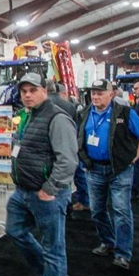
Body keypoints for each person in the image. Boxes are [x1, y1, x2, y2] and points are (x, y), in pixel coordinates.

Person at [5, 73, 78, 276]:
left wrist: (50, 188)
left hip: (47, 195)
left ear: (44, 91)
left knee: (53, 248)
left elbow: (68, 160)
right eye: (24, 90)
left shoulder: (57, 118)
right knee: (14, 231)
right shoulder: (26, 116)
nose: (27, 94)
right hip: (22, 192)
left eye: (32, 90)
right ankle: (49, 275)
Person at [78, 79, 139, 271]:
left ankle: (122, 254)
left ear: (111, 94)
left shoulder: (125, 113)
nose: (95, 96)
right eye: (93, 93)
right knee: (97, 210)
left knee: (121, 212)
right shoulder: (85, 114)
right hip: (94, 169)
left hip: (119, 171)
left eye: (100, 93)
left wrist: (133, 159)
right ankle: (107, 242)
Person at [46, 80, 87, 212]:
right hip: (72, 144)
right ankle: (78, 202)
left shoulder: (45, 105)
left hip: (50, 148)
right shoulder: (69, 105)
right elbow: (77, 125)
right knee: (72, 175)